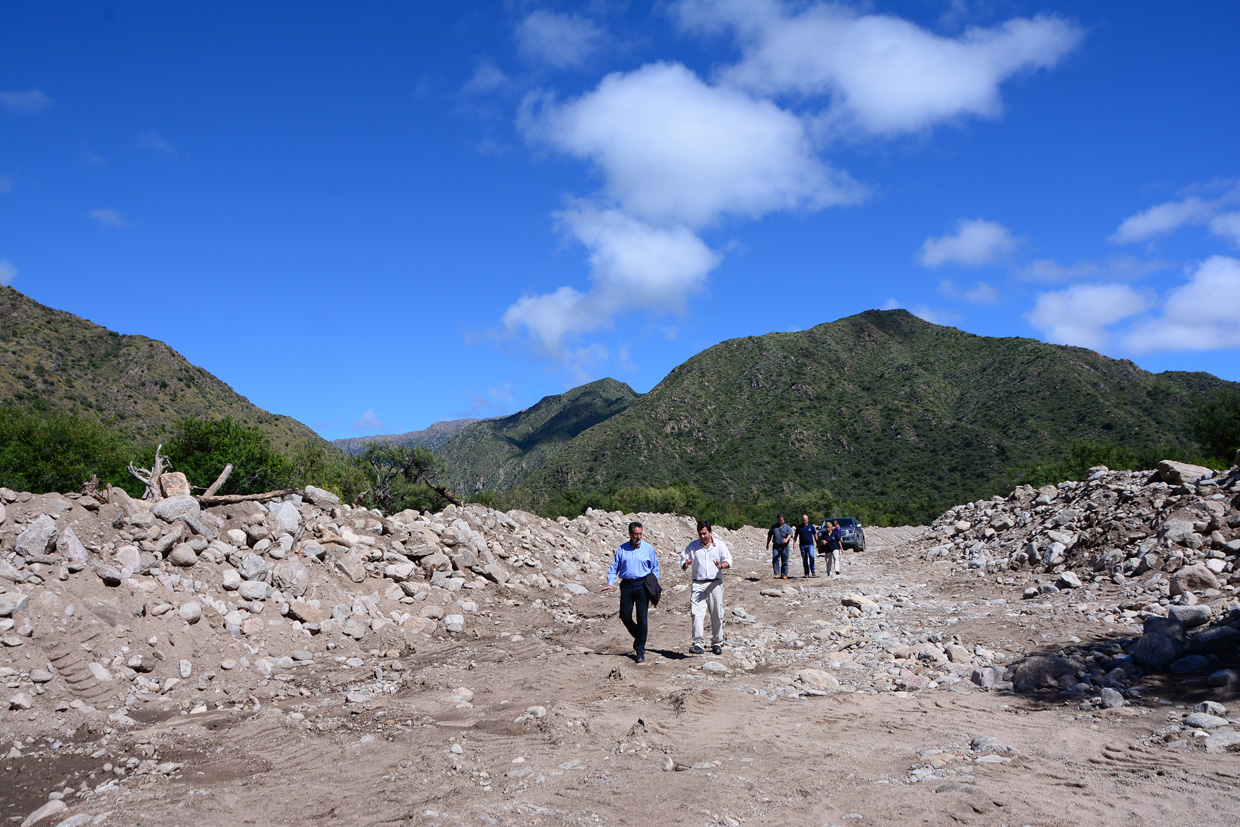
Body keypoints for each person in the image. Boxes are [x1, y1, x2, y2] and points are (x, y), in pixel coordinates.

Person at [603, 521, 660, 663]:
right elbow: (614, 567)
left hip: (642, 585)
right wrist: (610, 583)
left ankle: (640, 650)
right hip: (627, 585)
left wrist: (652, 583)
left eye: (640, 534)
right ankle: (639, 636)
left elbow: (655, 568)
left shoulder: (648, 549)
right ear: (630, 534)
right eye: (635, 534)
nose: (638, 536)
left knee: (642, 618)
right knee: (625, 615)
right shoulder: (622, 549)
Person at [680, 520, 732, 655]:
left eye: (704, 533)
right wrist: (686, 564)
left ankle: (717, 642)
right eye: (700, 534)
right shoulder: (692, 547)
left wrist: (721, 566)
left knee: (716, 613)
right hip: (698, 583)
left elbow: (728, 560)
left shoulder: (719, 545)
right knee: (697, 613)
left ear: (710, 532)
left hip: (715, 583)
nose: (702, 536)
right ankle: (698, 644)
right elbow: (683, 562)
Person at [767, 513, 793, 579]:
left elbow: (790, 534)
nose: (781, 522)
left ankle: (784, 574)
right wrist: (767, 544)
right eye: (779, 520)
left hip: (785, 547)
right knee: (775, 559)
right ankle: (777, 573)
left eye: (782, 520)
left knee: (785, 561)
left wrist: (787, 539)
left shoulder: (787, 527)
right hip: (776, 546)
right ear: (777, 520)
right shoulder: (774, 527)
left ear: (783, 520)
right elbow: (769, 535)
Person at [794, 513, 818, 578]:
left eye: (806, 519)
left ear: (808, 520)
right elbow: (795, 536)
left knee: (811, 556)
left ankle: (813, 570)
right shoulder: (799, 527)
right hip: (802, 545)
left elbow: (815, 535)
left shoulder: (811, 526)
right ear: (802, 520)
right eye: (804, 520)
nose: (805, 521)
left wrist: (818, 543)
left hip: (810, 544)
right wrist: (794, 543)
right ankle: (806, 573)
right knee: (804, 559)